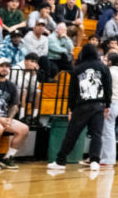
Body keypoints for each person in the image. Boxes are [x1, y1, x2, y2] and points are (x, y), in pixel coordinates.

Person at [48, 43, 112, 172]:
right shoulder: (103, 67)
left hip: (81, 106)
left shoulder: (78, 69)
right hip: (98, 105)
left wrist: (70, 108)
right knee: (96, 134)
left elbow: (72, 91)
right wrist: (108, 104)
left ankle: (60, 161)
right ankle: (94, 161)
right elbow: (108, 87)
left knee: (72, 134)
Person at [100, 52, 118, 167]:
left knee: (108, 132)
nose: (103, 60)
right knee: (107, 131)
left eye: (106, 58)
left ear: (110, 62)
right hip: (116, 102)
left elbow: (108, 90)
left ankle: (108, 159)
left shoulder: (110, 72)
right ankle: (104, 158)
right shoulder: (117, 71)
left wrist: (107, 105)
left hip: (112, 102)